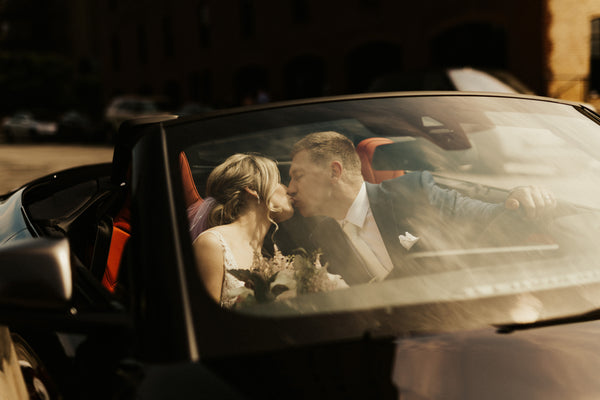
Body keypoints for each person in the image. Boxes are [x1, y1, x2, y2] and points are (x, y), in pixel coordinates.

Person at [286, 131, 557, 284]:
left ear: (335, 172)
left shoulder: (414, 194)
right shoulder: (320, 239)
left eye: (297, 176)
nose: (290, 188)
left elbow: (488, 219)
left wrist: (521, 200)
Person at [191, 153, 294, 307]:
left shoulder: (267, 256)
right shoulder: (212, 244)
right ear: (253, 189)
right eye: (278, 181)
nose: (288, 189)